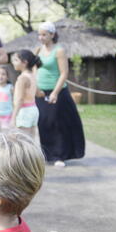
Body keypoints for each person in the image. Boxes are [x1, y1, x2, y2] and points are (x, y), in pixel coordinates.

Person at [35, 21, 85, 167]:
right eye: (39, 34)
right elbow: (33, 68)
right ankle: (47, 154)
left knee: (57, 124)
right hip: (40, 92)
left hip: (57, 91)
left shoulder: (59, 50)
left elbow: (64, 73)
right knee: (44, 123)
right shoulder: (38, 50)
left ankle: (59, 156)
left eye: (44, 34)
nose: (41, 37)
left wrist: (55, 93)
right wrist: (35, 87)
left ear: (52, 34)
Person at [10, 50, 41, 139]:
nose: (13, 62)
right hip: (33, 109)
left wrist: (13, 118)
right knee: (31, 139)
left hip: (24, 111)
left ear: (24, 62)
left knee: (22, 140)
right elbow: (38, 93)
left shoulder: (22, 78)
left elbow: (20, 100)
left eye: (16, 60)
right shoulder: (32, 75)